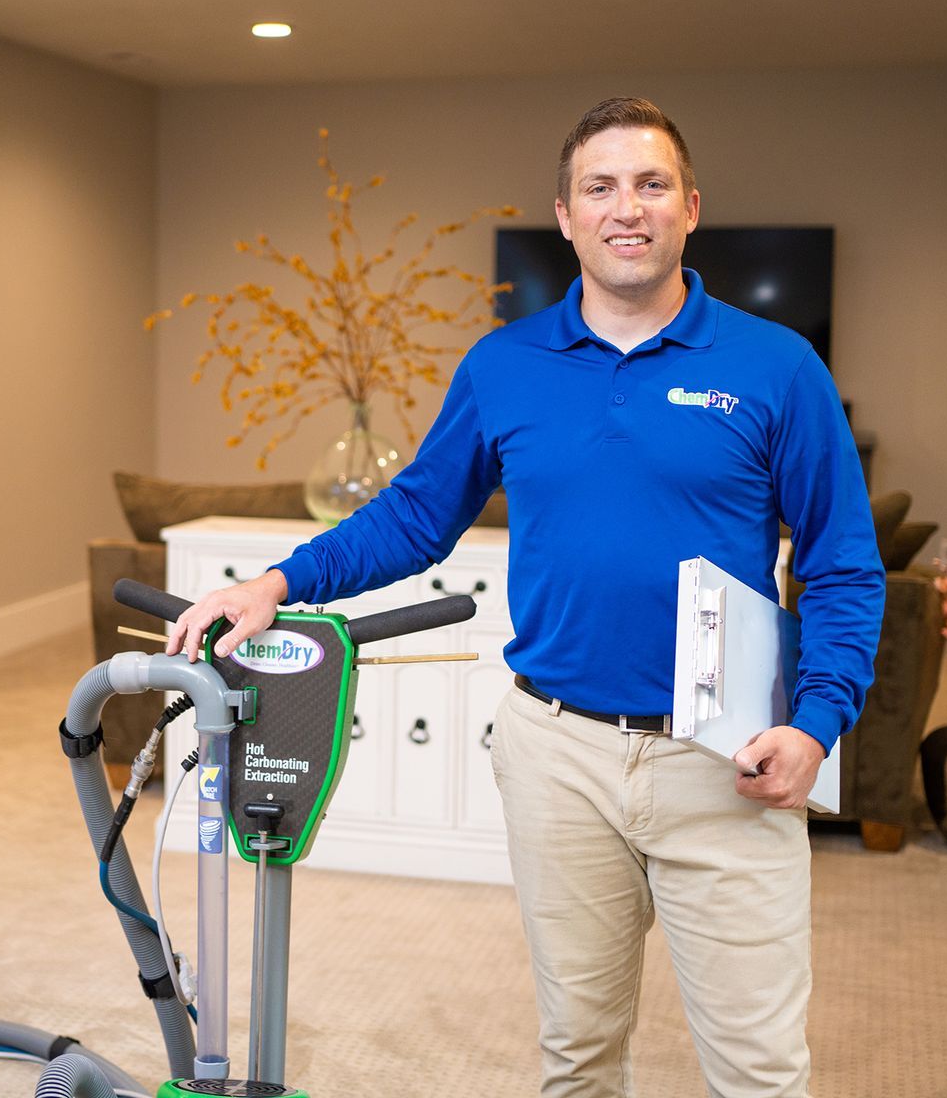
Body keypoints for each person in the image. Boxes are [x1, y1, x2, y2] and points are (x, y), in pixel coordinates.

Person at [164, 97, 884, 1097]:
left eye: (650, 184)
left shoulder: (776, 368)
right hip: (558, 755)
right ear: (565, 214)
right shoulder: (503, 365)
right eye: (600, 187)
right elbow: (414, 516)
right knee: (577, 1056)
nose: (625, 207)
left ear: (690, 207)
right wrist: (276, 582)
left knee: (760, 1069)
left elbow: (844, 562)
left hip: (725, 755)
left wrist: (817, 723)